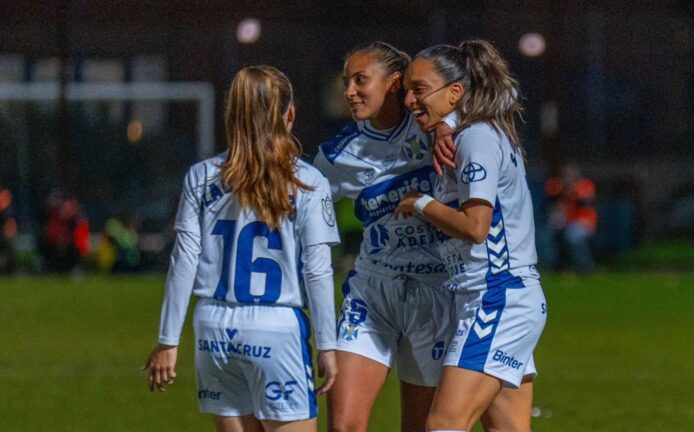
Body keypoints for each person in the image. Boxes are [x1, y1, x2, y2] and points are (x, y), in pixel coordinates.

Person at [144, 65, 340, 432]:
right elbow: (317, 270)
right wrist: (327, 345)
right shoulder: (308, 181)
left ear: (231, 115)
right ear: (290, 115)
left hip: (213, 327)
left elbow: (184, 259)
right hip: (276, 326)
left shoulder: (201, 176)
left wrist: (168, 340)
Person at [395, 40, 547, 432]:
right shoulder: (473, 131)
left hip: (497, 296)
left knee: (444, 423)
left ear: (456, 92)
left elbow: (475, 227)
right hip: (498, 297)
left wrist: (420, 203)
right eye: (407, 90)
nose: (409, 100)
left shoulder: (476, 137)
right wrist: (449, 120)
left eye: (419, 89)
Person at [313, 42, 454, 432]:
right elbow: (299, 213)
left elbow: (484, 106)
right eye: (346, 82)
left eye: (360, 80)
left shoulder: (434, 127)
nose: (349, 91)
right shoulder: (337, 155)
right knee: (344, 426)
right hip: (372, 291)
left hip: (435, 292)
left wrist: (450, 123)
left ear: (394, 83)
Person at [545, 163, 597, 273]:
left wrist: (571, 190)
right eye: (566, 175)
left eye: (571, 175)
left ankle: (584, 267)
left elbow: (585, 202)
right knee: (551, 234)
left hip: (584, 222)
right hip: (566, 222)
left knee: (574, 235)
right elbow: (550, 199)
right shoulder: (558, 185)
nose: (568, 178)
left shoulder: (584, 185)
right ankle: (558, 267)